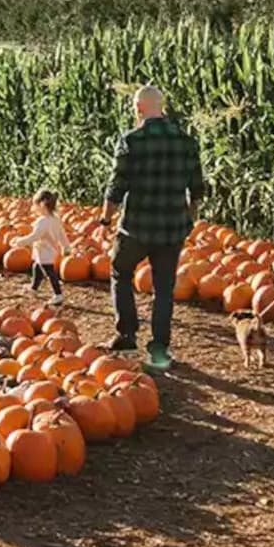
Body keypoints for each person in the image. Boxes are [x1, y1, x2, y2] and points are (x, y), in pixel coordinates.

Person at [99, 85, 206, 373]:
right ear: (162, 107)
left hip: (136, 227)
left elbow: (116, 185)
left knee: (120, 271)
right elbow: (197, 188)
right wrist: (189, 219)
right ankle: (159, 346)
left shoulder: (131, 140)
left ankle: (127, 335)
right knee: (164, 288)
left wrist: (105, 220)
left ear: (139, 108)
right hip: (172, 229)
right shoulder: (186, 141)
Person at [11, 189, 68, 305]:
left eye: (35, 205)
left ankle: (58, 294)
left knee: (49, 272)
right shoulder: (55, 219)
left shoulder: (43, 222)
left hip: (45, 251)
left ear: (42, 205)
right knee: (37, 266)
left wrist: (19, 242)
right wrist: (66, 246)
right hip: (48, 250)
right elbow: (62, 234)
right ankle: (34, 288)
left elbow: (34, 236)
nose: (34, 208)